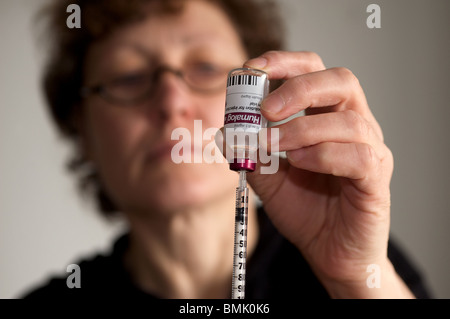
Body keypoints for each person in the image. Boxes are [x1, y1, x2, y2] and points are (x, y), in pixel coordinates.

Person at [23, 0, 430, 299]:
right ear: (82, 129)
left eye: (206, 68)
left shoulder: (367, 267)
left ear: (262, 100)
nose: (171, 101)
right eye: (129, 77)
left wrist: (355, 278)